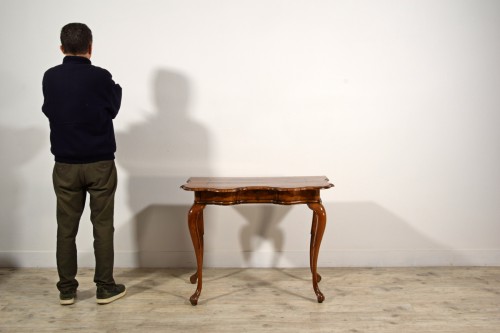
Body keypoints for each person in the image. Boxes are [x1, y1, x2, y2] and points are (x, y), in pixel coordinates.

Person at [42, 23, 126, 305]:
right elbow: (113, 108)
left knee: (65, 228)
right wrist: (115, 89)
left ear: (62, 48)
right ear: (91, 47)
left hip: (65, 165)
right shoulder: (101, 77)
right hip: (100, 164)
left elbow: (49, 110)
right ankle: (105, 287)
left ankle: (67, 290)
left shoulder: (50, 77)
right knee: (102, 227)